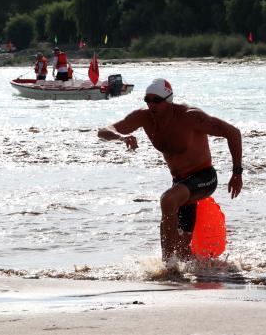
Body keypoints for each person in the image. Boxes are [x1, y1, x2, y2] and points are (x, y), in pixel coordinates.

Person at [97, 78, 243, 261]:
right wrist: (120, 137)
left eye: (156, 100)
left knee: (168, 200)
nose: (151, 105)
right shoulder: (144, 117)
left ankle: (167, 265)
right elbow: (103, 130)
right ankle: (200, 271)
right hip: (180, 184)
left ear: (168, 100)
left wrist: (237, 173)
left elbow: (233, 133)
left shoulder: (191, 116)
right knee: (183, 251)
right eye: (147, 100)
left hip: (204, 177)